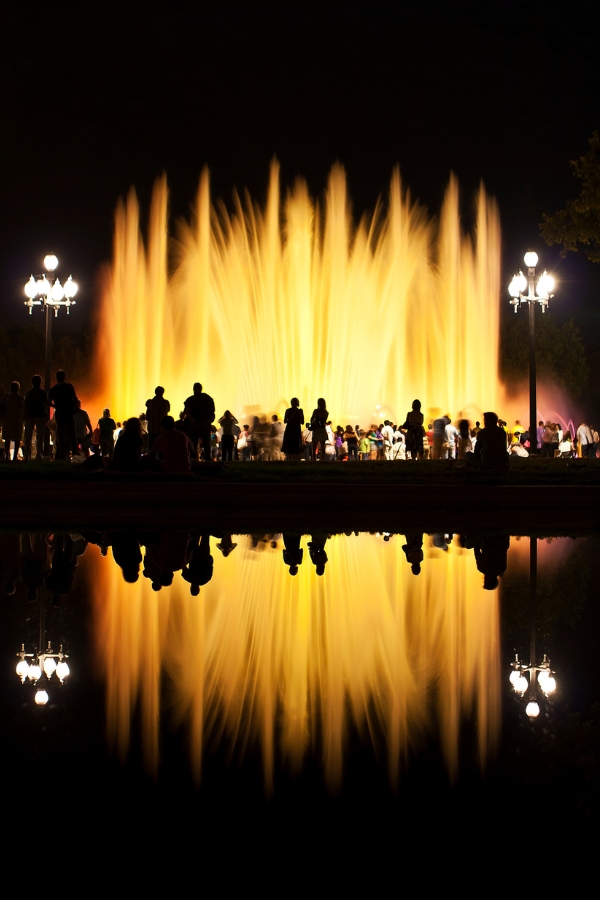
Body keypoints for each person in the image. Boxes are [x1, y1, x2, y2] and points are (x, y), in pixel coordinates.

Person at [48, 370, 78, 460]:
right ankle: (75, 454)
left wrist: (56, 406)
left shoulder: (54, 389)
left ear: (56, 378)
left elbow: (48, 402)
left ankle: (61, 455)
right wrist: (75, 409)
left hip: (60, 413)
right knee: (72, 433)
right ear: (64, 377)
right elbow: (75, 399)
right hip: (69, 412)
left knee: (61, 434)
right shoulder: (69, 387)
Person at [184, 382, 215, 461]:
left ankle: (194, 459)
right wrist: (209, 420)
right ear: (201, 389)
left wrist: (192, 419)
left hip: (195, 423)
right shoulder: (208, 398)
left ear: (193, 389)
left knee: (194, 442)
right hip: (205, 423)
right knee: (206, 442)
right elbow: (212, 411)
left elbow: (186, 411)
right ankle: (207, 458)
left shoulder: (190, 399)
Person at [23, 375, 48, 462]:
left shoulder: (28, 393)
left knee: (28, 436)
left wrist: (25, 414)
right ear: (40, 383)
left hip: (29, 415)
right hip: (40, 415)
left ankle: (26, 456)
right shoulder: (43, 393)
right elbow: (46, 403)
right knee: (40, 436)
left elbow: (26, 404)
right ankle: (39, 455)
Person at [1, 381, 25, 461]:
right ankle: (15, 457)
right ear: (18, 388)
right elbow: (23, 409)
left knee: (7, 439)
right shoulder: (21, 398)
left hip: (7, 420)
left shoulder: (6, 397)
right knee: (17, 439)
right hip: (17, 420)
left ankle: (7, 456)